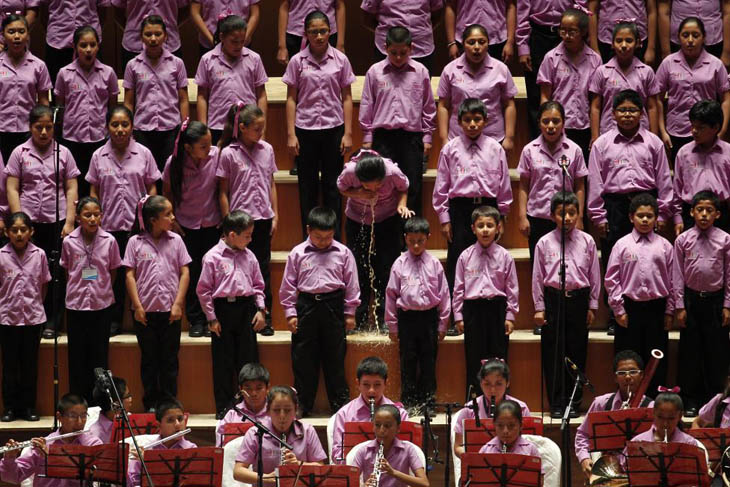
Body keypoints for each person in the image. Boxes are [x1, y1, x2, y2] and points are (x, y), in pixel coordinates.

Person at [587, 90, 673, 334]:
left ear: (642, 113)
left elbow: (664, 179)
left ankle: (654, 311)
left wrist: (663, 213)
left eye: (632, 110)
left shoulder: (653, 142)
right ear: (613, 114)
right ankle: (616, 315)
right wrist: (598, 215)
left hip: (647, 204)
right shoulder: (602, 144)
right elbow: (595, 181)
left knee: (647, 259)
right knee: (616, 262)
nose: (627, 115)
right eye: (622, 110)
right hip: (614, 206)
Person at [6, 104, 79, 339]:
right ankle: (28, 318)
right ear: (30, 127)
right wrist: (19, 223)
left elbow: (70, 188)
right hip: (28, 224)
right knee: (29, 272)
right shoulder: (19, 153)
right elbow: (13, 187)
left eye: (49, 127)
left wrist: (69, 222)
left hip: (55, 220)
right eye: (39, 127)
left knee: (56, 271)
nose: (44, 132)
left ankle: (52, 321)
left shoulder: (63, 153)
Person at [279, 206, 359, 416]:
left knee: (335, 359)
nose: (323, 241)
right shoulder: (297, 253)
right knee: (303, 359)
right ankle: (302, 405)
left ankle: (340, 408)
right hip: (306, 305)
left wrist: (350, 313)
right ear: (308, 230)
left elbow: (352, 285)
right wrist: (290, 313)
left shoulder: (343, 253)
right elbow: (288, 286)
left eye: (328, 236)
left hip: (334, 306)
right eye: (318, 237)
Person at [88, 105, 160, 336]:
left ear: (132, 126)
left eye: (124, 124)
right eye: (114, 124)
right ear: (107, 127)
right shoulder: (98, 155)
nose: (119, 129)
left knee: (141, 273)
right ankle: (114, 320)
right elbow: (94, 190)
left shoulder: (144, 153)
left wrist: (151, 217)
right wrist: (94, 219)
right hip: (108, 226)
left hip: (137, 226)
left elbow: (152, 186)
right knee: (113, 275)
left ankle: (143, 317)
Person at [283, 10, 354, 238]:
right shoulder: (297, 61)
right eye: (314, 32)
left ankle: (334, 238)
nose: (320, 36)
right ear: (306, 34)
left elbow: (347, 97)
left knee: (334, 188)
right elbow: (291, 98)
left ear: (330, 31)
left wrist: (348, 133)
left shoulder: (341, 60)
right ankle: (309, 238)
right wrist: (291, 134)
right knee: (308, 188)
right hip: (305, 130)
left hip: (334, 128)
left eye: (323, 31)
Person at [433, 98, 512, 298]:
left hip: (488, 208)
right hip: (460, 209)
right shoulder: (450, 149)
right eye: (467, 120)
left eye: (477, 119)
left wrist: (502, 215)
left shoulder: (495, 148)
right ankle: (454, 313)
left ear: (486, 121)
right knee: (458, 259)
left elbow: (504, 184)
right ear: (458, 122)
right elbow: (441, 186)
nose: (472, 124)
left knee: (489, 259)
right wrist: (444, 219)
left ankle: (488, 303)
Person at [533, 191, 600, 418]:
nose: (568, 218)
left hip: (578, 300)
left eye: (572, 213)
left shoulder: (587, 241)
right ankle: (557, 402)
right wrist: (539, 307)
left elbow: (594, 275)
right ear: (553, 215)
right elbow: (537, 277)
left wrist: (592, 305)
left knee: (577, 353)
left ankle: (574, 401)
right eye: (562, 213)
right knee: (553, 352)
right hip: (553, 300)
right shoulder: (544, 242)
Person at [123, 195, 191, 412]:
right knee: (150, 361)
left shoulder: (176, 241)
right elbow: (130, 275)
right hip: (146, 313)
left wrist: (178, 303)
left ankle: (170, 404)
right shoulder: (135, 242)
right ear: (153, 219)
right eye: (168, 214)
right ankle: (151, 403)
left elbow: (185, 272)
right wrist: (137, 306)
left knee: (170, 361)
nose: (172, 218)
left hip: (170, 312)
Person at [359, 26, 436, 216]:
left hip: (411, 137)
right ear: (385, 48)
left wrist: (427, 137)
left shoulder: (421, 72)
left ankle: (412, 237)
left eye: (403, 52)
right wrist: (367, 135)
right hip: (383, 138)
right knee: (384, 186)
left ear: (412, 48)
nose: (399, 57)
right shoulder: (375, 72)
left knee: (413, 186)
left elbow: (428, 106)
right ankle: (388, 237)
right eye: (394, 53)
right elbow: (367, 103)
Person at [605, 192, 674, 395]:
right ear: (631, 217)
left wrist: (670, 311)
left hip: (656, 309)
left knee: (656, 360)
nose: (645, 220)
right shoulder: (622, 245)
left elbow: (673, 281)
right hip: (630, 309)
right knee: (629, 358)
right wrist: (618, 310)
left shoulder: (665, 246)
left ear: (656, 218)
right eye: (640, 215)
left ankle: (654, 401)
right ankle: (627, 400)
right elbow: (611, 279)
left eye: (649, 216)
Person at [197, 210, 264, 418]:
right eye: (247, 235)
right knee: (223, 362)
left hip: (246, 310)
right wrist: (211, 318)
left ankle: (250, 407)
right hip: (222, 312)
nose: (251, 239)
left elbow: (258, 285)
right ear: (232, 235)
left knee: (248, 361)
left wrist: (261, 310)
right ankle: (225, 410)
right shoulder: (212, 257)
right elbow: (204, 291)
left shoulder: (250, 256)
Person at [217, 104, 277, 335]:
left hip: (262, 218)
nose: (261, 133)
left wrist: (276, 213)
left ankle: (264, 316)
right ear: (241, 128)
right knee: (237, 269)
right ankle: (242, 318)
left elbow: (271, 183)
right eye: (256, 129)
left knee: (261, 268)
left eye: (262, 128)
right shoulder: (229, 153)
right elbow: (223, 191)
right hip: (238, 222)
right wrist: (227, 221)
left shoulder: (267, 149)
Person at [337, 150, 412, 330]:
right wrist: (359, 194)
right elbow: (341, 188)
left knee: (386, 268)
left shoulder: (392, 171)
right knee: (359, 268)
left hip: (387, 219)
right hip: (357, 220)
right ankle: (359, 319)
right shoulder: (349, 171)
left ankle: (386, 319)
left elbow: (403, 188)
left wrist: (402, 205)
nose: (372, 190)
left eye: (377, 186)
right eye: (367, 186)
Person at [673, 190, 730, 416]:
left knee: (716, 353)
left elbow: (728, 275)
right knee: (690, 353)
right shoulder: (683, 240)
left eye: (709, 210)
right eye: (700, 210)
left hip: (716, 302)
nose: (704, 215)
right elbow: (677, 275)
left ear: (717, 214)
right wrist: (679, 306)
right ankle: (689, 399)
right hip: (691, 300)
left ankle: (714, 401)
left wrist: (727, 305)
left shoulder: (725, 240)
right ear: (692, 212)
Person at [163, 120, 221, 337]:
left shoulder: (217, 156)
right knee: (192, 272)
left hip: (212, 223)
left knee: (211, 273)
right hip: (186, 226)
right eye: (203, 146)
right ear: (188, 147)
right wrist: (173, 220)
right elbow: (167, 192)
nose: (209, 149)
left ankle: (211, 318)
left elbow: (224, 188)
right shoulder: (174, 163)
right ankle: (196, 319)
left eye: (209, 144)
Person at [61, 196, 122, 403]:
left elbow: (113, 271)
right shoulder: (69, 242)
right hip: (76, 306)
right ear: (78, 218)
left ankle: (99, 404)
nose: (93, 219)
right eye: (88, 215)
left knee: (99, 357)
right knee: (77, 358)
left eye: (97, 214)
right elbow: (68, 269)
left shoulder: (110, 241)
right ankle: (78, 403)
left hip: (101, 306)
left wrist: (101, 290)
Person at [385, 217, 450, 409]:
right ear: (405, 238)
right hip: (407, 319)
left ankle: (427, 402)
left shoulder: (435, 264)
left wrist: (443, 323)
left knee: (429, 361)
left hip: (429, 318)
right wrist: (392, 325)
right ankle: (409, 403)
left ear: (428, 238)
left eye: (420, 241)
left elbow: (444, 294)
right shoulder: (399, 264)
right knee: (408, 361)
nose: (415, 245)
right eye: (411, 241)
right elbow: (390, 294)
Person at [453, 206, 518, 393]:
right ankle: (474, 404)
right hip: (473, 311)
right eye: (480, 225)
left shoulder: (505, 256)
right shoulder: (465, 257)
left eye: (490, 225)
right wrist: (458, 316)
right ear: (473, 228)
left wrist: (510, 316)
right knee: (474, 359)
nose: (485, 230)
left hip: (497, 310)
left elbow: (512, 288)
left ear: (498, 227)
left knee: (499, 359)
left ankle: (499, 401)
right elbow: (458, 288)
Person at [123, 15, 190, 184]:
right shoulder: (132, 65)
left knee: (169, 176)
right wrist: (129, 128)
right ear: (141, 36)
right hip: (142, 128)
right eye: (148, 34)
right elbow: (129, 101)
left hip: (171, 128)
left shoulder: (177, 63)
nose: (153, 39)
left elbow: (183, 99)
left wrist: (184, 128)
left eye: (158, 34)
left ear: (166, 36)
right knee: (145, 177)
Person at [517, 101, 587, 262]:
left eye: (556, 121)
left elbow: (580, 186)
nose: (550, 126)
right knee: (540, 265)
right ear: (539, 123)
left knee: (567, 264)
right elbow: (523, 186)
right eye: (545, 121)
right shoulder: (529, 150)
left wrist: (580, 217)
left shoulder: (574, 150)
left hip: (566, 217)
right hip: (537, 216)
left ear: (563, 122)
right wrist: (522, 216)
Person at [656, 16, 730, 165]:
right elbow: (656, 99)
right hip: (676, 131)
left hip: (708, 131)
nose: (690, 40)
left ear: (703, 38)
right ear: (678, 38)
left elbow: (726, 100)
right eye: (685, 35)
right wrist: (662, 132)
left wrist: (721, 131)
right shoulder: (668, 63)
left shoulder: (716, 64)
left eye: (695, 35)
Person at [54, 25, 117, 198]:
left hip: (99, 138)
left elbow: (112, 107)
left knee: (97, 184)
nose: (88, 50)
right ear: (75, 47)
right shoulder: (64, 74)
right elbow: (59, 107)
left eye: (92, 45)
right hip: (72, 138)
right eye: (83, 45)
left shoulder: (108, 73)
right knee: (74, 185)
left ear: (98, 46)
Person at [0, 212, 49, 422]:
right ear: (6, 232)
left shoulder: (40, 255)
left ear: (31, 231)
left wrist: (34, 303)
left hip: (32, 318)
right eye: (14, 230)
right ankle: (10, 408)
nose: (19, 234)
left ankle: (28, 407)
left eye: (23, 230)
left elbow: (44, 285)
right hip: (7, 318)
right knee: (9, 366)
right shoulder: (1, 255)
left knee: (30, 366)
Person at [437, 24, 517, 151]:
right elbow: (443, 106)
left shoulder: (500, 69)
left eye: (481, 42)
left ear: (488, 43)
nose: (476, 47)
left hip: (493, 137)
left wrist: (509, 137)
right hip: (458, 137)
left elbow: (509, 105)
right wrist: (443, 139)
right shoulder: (450, 70)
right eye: (471, 42)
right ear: (463, 44)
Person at [574, 350, 653, 479]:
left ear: (642, 375)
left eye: (633, 372)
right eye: (622, 373)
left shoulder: (651, 408)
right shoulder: (601, 403)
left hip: (640, 470)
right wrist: (584, 458)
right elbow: (583, 434)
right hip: (607, 470)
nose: (628, 377)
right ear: (615, 378)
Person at [516, 0, 587, 138]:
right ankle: (539, 145)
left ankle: (571, 143)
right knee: (536, 97)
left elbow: (581, 7)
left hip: (568, 34)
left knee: (571, 91)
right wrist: (523, 47)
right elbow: (522, 12)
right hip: (538, 35)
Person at [537, 8, 601, 161]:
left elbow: (595, 101)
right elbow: (545, 96)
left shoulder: (595, 60)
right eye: (563, 31)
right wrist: (547, 125)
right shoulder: (551, 58)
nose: (566, 36)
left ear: (584, 32)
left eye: (572, 32)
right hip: (559, 126)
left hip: (584, 126)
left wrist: (595, 134)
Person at [195, 15, 268, 145]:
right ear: (222, 37)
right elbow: (202, 96)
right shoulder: (207, 60)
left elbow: (261, 95)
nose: (239, 45)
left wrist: (263, 129)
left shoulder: (254, 58)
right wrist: (203, 129)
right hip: (218, 125)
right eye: (234, 41)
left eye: (242, 41)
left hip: (248, 125)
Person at [233, 386, 327, 485]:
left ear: (295, 410)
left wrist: (298, 465)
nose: (282, 416)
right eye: (276, 410)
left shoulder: (307, 431)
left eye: (287, 410)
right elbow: (238, 472)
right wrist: (265, 478)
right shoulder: (255, 433)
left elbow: (320, 468)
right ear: (268, 410)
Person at [0, 394, 102, 484]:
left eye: (83, 416)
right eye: (73, 416)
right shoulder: (44, 444)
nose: (80, 422)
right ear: (59, 416)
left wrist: (52, 458)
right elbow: (14, 478)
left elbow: (95, 478)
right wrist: (9, 458)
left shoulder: (93, 444)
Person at [588, 21, 659, 143]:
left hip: (641, 133)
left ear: (637, 43)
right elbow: (596, 107)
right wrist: (595, 137)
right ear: (612, 44)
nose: (624, 45)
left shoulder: (647, 72)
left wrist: (654, 138)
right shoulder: (602, 71)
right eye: (619, 40)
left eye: (629, 41)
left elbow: (652, 107)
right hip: (608, 132)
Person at [331, 356, 409, 464]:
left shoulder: (400, 414)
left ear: (386, 383)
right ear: (358, 383)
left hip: (392, 474)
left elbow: (408, 452)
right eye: (366, 385)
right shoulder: (344, 414)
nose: (371, 391)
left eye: (377, 385)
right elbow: (337, 455)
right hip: (358, 474)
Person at [453, 358, 530, 459]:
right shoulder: (469, 409)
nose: (492, 390)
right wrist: (475, 458)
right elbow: (458, 446)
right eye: (487, 384)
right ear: (480, 383)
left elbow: (529, 443)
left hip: (513, 463)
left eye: (498, 384)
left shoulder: (522, 408)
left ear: (507, 383)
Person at [672, 101, 730, 234]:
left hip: (721, 213)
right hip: (691, 213)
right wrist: (677, 218)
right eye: (692, 126)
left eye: (701, 127)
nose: (694, 131)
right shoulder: (684, 153)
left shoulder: (728, 153)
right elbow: (677, 188)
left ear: (715, 127)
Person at [0, 14, 51, 164]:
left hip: (28, 130)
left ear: (28, 34)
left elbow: (43, 101)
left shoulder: (39, 66)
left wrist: (41, 128)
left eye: (21, 32)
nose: (17, 36)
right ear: (3, 35)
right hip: (1, 129)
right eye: (11, 32)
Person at [621, 389, 705, 470]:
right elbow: (624, 469)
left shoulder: (689, 443)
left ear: (680, 416)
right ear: (653, 413)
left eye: (671, 418)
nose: (665, 423)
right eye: (660, 417)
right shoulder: (638, 442)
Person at [350, 404, 429, 487]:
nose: (382, 430)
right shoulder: (363, 451)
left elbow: (424, 483)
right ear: (373, 427)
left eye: (387, 426)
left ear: (398, 428)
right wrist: (364, 486)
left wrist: (393, 472)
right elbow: (351, 482)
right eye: (377, 425)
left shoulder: (408, 450)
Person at [127, 398, 197, 487]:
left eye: (180, 419)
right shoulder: (146, 450)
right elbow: (133, 482)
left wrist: (150, 461)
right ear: (159, 425)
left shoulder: (191, 449)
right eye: (170, 420)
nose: (177, 424)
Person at [360, 0, 442, 73]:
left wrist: (419, 33)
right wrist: (390, 36)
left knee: (421, 89)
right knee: (383, 89)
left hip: (422, 49)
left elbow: (437, 14)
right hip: (387, 50)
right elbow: (367, 18)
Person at [43, 0, 108, 85]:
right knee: (58, 90)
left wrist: (90, 35)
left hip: (89, 44)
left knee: (95, 88)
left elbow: (103, 12)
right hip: (58, 41)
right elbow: (43, 12)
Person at [113, 0, 188, 69]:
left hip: (169, 43)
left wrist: (165, 30)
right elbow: (117, 9)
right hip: (134, 44)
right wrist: (134, 29)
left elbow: (185, 9)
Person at [215, 362, 270, 446]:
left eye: (259, 388)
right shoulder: (231, 416)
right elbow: (221, 450)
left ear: (267, 388)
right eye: (248, 388)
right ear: (240, 389)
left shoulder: (276, 413)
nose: (253, 393)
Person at [657, 0, 730, 63]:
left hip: (713, 40)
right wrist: (666, 52)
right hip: (679, 41)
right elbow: (664, 10)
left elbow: (728, 9)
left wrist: (726, 53)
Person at [277, 0, 345, 66]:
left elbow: (340, 5)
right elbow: (284, 6)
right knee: (297, 74)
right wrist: (282, 47)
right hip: (296, 36)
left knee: (330, 73)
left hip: (327, 34)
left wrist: (340, 45)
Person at [444, 0, 515, 63]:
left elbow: (510, 6)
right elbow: (450, 6)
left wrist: (510, 42)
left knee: (497, 77)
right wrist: (451, 43)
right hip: (464, 41)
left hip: (498, 42)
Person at [588, 0, 655, 63]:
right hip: (607, 40)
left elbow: (652, 11)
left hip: (638, 41)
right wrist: (595, 49)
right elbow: (592, 11)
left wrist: (651, 49)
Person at [479, 400, 542, 467]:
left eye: (511, 425)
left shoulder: (531, 450)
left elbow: (539, 476)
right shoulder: (486, 450)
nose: (505, 431)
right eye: (500, 425)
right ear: (494, 425)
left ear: (520, 426)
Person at [191, 0, 260, 55]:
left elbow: (255, 14)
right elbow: (195, 12)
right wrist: (213, 41)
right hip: (209, 42)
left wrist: (242, 41)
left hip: (241, 43)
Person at [90, 375, 133, 443]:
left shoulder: (130, 420)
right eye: (127, 396)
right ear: (116, 405)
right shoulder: (95, 435)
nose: (131, 399)